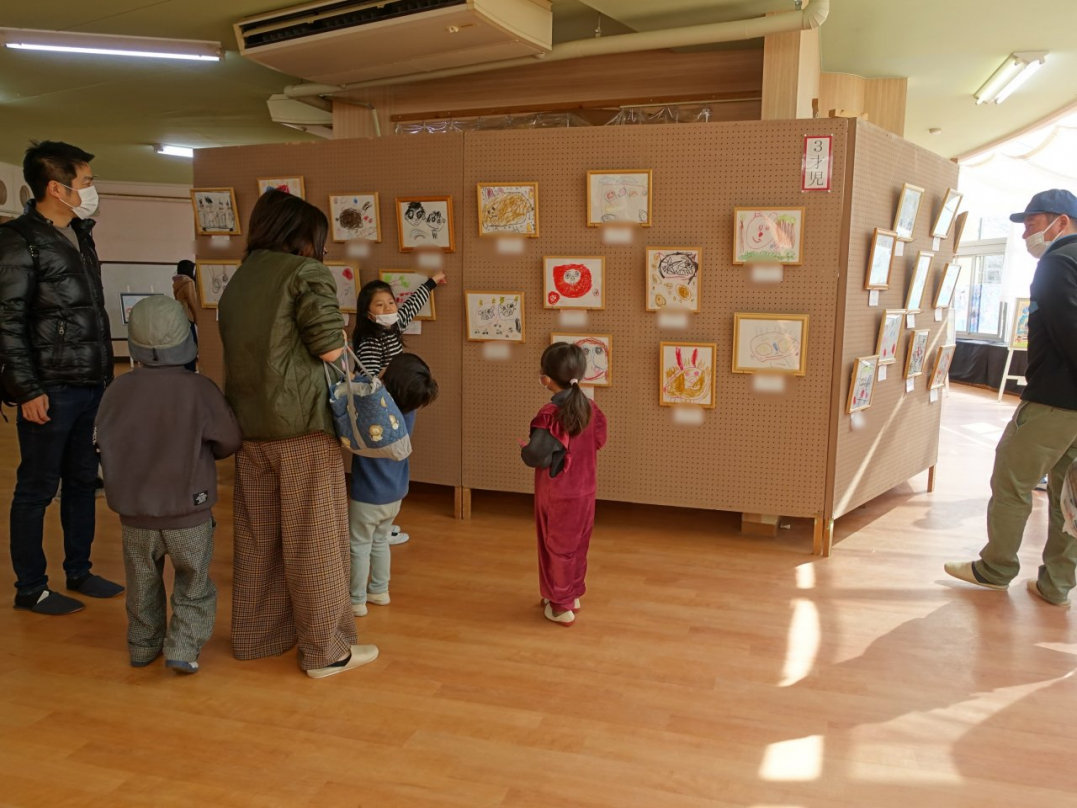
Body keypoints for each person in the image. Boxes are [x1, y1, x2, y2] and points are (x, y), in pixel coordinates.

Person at [219, 189, 377, 679]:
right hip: (303, 429)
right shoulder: (304, 273)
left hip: (248, 428)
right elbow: (330, 348)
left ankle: (259, 637)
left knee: (258, 539)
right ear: (301, 236)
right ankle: (326, 652)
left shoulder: (240, 280)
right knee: (316, 541)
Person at [0, 140, 123, 615]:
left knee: (80, 481)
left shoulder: (80, 233)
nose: (92, 190)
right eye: (87, 182)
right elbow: (7, 321)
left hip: (89, 382)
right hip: (49, 386)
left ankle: (79, 569)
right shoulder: (18, 240)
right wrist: (26, 389)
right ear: (57, 187)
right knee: (36, 488)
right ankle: (30, 587)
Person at [945, 189, 1077, 607]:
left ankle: (995, 569)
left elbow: (1069, 331)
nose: (1025, 234)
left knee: (1012, 482)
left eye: (1032, 223)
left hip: (1053, 401)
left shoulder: (1058, 262)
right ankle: (1056, 585)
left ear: (1062, 221)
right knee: (1069, 495)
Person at [95, 297, 241, 673]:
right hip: (189, 513)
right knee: (194, 584)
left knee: (141, 585)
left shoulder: (116, 391)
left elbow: (99, 440)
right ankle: (183, 647)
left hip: (133, 516)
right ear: (186, 337)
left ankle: (142, 647)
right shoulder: (200, 390)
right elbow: (228, 441)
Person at [351, 274, 445, 546]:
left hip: (401, 403)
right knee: (383, 457)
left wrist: (431, 283)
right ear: (367, 313)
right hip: (381, 409)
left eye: (390, 302)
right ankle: (379, 522)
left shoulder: (394, 325)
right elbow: (367, 379)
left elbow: (411, 306)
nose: (388, 309)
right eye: (379, 305)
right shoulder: (368, 340)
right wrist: (392, 374)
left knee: (398, 454)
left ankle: (386, 520)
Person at [520, 343, 608, 625]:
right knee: (577, 544)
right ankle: (572, 592)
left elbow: (535, 455)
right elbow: (599, 440)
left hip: (557, 493)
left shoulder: (550, 414)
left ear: (546, 378)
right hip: (585, 490)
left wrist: (525, 448)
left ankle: (560, 606)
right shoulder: (590, 407)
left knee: (555, 546)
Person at [348, 353, 438, 616]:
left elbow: (359, 385)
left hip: (367, 495)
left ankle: (356, 599)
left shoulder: (376, 408)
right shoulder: (408, 410)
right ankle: (379, 590)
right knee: (380, 541)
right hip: (395, 493)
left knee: (359, 545)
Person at [172, 259, 199, 372]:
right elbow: (193, 303)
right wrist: (199, 319)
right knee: (192, 347)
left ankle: (185, 371)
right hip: (188, 318)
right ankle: (191, 372)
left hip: (180, 318)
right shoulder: (189, 283)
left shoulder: (177, 282)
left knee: (184, 347)